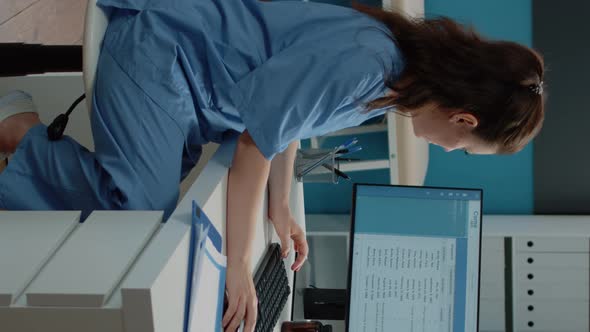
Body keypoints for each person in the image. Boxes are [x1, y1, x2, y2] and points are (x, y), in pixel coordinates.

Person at [0, 0, 544, 331]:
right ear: (465, 119)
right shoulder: (368, 69)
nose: (451, 150)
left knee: (158, 205)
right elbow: (257, 144)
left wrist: (280, 206)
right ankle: (17, 127)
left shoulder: (391, 75)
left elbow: (284, 124)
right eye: (463, 146)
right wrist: (239, 263)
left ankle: (24, 141)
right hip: (160, 51)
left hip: (193, 87)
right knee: (139, 207)